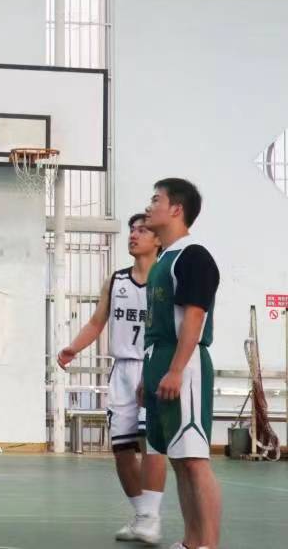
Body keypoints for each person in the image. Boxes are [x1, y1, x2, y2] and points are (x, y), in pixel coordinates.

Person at [58, 213, 166, 544]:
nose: (133, 234)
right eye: (132, 230)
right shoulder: (116, 280)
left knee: (151, 444)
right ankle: (142, 515)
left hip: (152, 365)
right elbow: (96, 322)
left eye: (142, 230)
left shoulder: (165, 280)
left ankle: (152, 517)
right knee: (121, 449)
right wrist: (73, 348)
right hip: (122, 370)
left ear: (157, 240)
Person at [142, 178, 221, 549]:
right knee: (178, 459)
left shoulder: (194, 255)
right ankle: (191, 543)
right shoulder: (163, 262)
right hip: (160, 362)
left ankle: (208, 545)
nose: (149, 206)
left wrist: (175, 370)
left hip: (185, 365)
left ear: (176, 209)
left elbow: (194, 316)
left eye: (156, 199)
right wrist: (149, 376)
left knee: (194, 460)